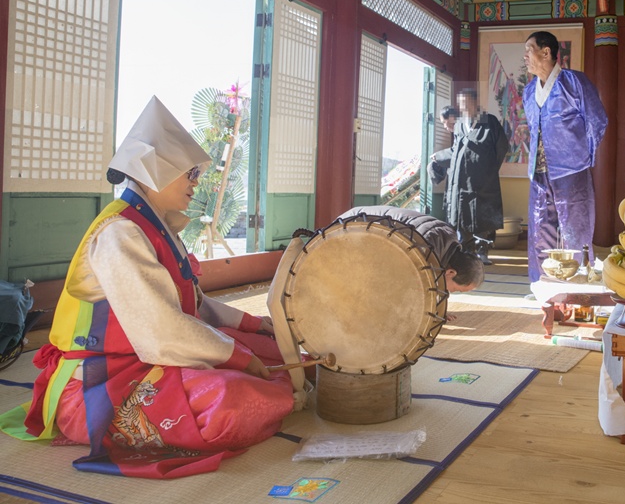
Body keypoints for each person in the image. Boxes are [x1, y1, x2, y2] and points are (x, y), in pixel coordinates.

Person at [0, 97, 294, 479]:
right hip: (103, 379)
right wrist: (236, 357)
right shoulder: (120, 232)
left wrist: (253, 327)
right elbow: (161, 332)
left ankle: (275, 387)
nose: (196, 181)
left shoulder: (152, 224)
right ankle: (278, 398)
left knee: (273, 350)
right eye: (189, 174)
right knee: (237, 399)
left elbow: (195, 305)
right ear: (156, 172)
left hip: (147, 358)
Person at [522, 31, 608, 283]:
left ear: (546, 52)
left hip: (571, 170)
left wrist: (583, 157)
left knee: (576, 229)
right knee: (539, 229)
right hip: (538, 173)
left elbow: (597, 120)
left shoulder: (574, 82)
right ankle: (542, 283)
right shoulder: (529, 91)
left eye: (529, 49)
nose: (525, 56)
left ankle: (581, 281)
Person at [429, 89, 508, 264]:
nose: (463, 106)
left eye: (466, 102)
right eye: (461, 103)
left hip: (483, 179)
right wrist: (439, 157)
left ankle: (482, 250)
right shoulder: (459, 126)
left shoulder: (490, 122)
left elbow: (501, 147)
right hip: (461, 180)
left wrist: (489, 169)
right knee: (462, 214)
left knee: (483, 215)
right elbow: (456, 151)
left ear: (475, 102)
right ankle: (466, 250)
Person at [337, 205, 485, 293]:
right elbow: (402, 286)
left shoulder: (447, 239)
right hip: (346, 230)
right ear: (450, 272)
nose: (450, 292)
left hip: (357, 226)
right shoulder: (423, 248)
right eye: (455, 290)